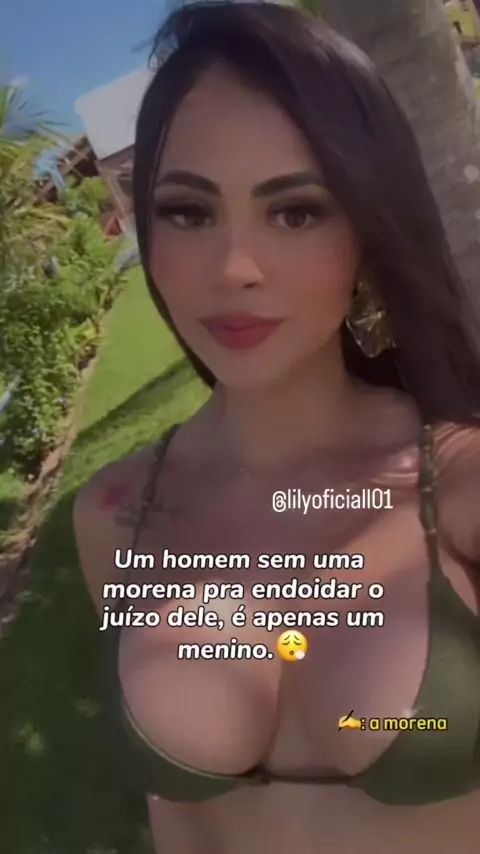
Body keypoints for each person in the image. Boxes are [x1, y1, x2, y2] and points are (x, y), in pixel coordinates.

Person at [73, 3, 480, 853]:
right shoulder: (116, 515)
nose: (234, 269)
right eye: (189, 212)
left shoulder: (457, 483)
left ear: (367, 231)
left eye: (295, 211)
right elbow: (177, 810)